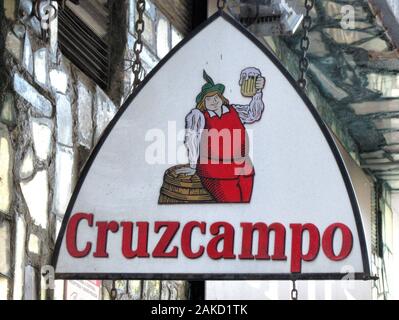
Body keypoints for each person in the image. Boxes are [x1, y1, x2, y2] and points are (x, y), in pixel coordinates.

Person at [177, 69, 266, 203]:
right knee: (233, 208)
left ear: (221, 98)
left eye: (216, 97)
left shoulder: (233, 110)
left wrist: (258, 93)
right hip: (216, 172)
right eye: (209, 99)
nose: (213, 101)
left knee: (246, 209)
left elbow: (253, 114)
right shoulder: (200, 116)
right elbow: (192, 139)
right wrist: (193, 165)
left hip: (244, 169)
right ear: (203, 102)